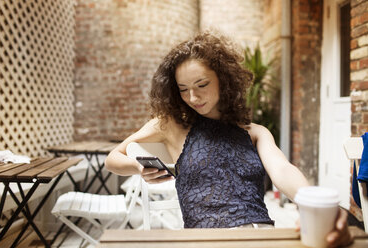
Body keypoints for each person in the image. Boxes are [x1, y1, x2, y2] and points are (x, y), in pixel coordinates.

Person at [105, 31, 352, 247]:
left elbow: (283, 171)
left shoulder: (255, 132)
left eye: (201, 84)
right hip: (205, 241)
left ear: (223, 79)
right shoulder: (171, 125)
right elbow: (113, 159)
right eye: (183, 89)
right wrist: (137, 167)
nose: (192, 97)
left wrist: (315, 202)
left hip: (261, 236)